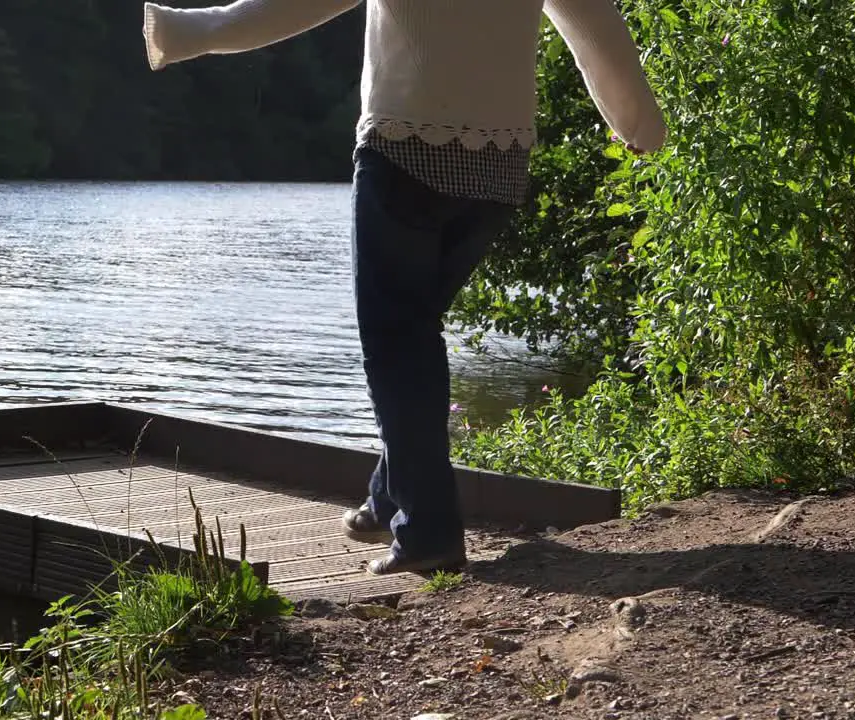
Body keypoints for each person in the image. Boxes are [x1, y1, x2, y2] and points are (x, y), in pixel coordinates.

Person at [141, 0, 666, 575]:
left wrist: (187, 31)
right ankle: (389, 495)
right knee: (413, 333)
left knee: (397, 343)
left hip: (407, 150)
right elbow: (593, 23)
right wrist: (636, 120)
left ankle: (429, 534)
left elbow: (291, 6)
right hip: (500, 166)